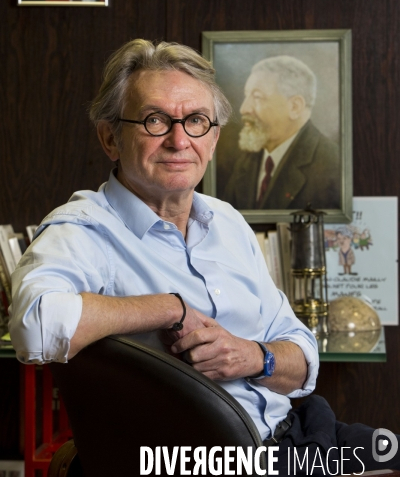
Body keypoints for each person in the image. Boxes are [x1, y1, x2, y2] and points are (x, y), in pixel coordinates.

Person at [9, 40, 399, 473]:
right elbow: (34, 328)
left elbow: (302, 358)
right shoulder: (83, 229)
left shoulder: (228, 222)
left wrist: (254, 356)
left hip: (298, 435)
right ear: (110, 138)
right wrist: (168, 307)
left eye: (195, 121)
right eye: (155, 120)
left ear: (212, 139)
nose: (179, 140)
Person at [224, 55, 340, 211]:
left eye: (257, 97)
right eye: (247, 96)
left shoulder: (332, 165)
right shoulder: (245, 162)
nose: (244, 108)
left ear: (295, 107)